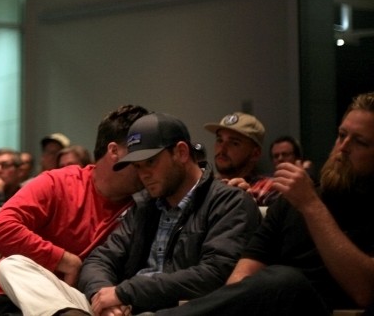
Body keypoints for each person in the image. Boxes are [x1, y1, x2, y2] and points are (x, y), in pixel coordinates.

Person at [0, 112, 261, 315]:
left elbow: (214, 274)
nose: (143, 174)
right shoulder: (146, 206)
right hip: (121, 307)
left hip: (174, 309)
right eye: (136, 166)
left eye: (150, 162)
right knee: (13, 265)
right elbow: (99, 259)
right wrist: (106, 298)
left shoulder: (229, 202)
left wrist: (126, 293)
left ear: (181, 152)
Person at [151, 91, 374, 315]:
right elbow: (242, 278)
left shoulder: (302, 198)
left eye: (360, 142)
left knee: (287, 280)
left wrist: (311, 206)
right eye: (341, 135)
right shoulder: (289, 203)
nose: (343, 147)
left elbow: (365, 290)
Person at [0, 105, 149, 316]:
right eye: (142, 155)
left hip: (75, 298)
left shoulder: (145, 205)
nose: (148, 165)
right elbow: (0, 230)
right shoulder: (60, 182)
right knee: (11, 266)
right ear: (114, 151)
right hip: (5, 289)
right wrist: (64, 259)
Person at [205, 111, 278, 205]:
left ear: (255, 154)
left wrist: (247, 202)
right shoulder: (206, 185)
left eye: (234, 143)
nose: (222, 149)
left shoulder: (270, 188)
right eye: (219, 140)